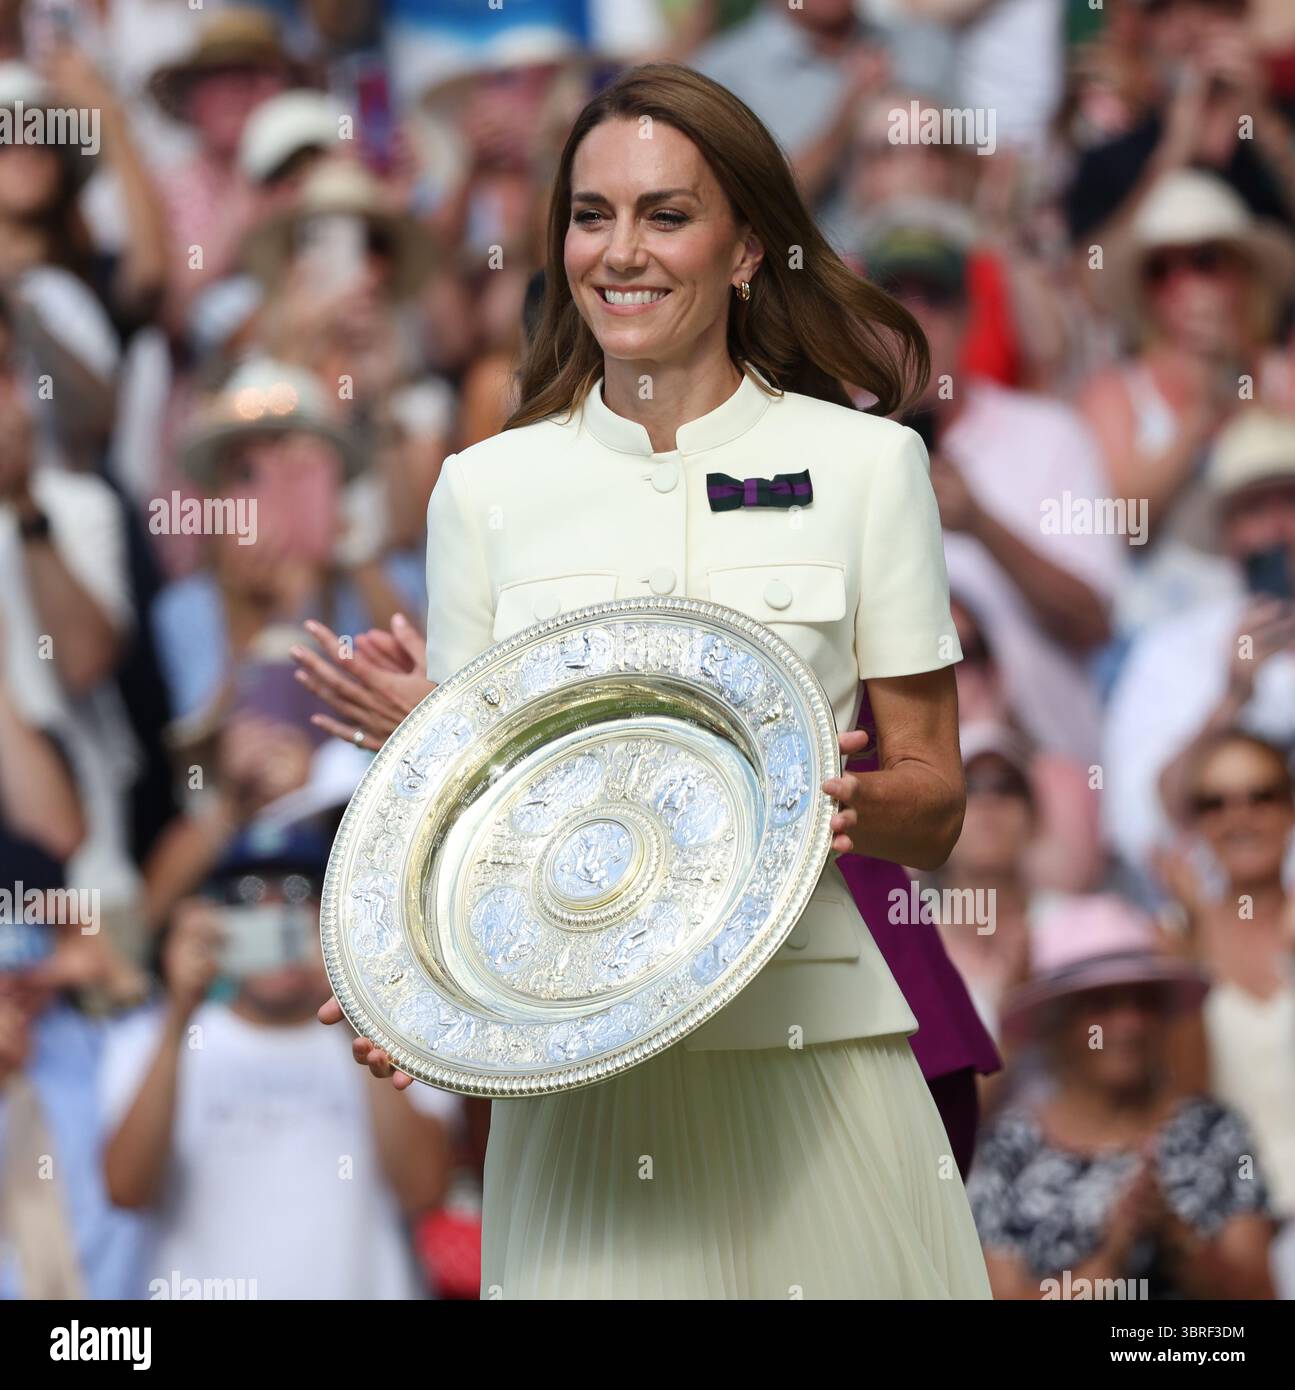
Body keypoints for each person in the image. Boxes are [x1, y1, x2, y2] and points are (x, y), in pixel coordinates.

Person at [300, 60, 992, 1299]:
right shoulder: (483, 489)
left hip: (817, 1056)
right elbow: (480, 817)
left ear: (744, 252)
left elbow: (935, 804)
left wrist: (812, 804)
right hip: (578, 1091)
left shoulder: (870, 467)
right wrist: (401, 977)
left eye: (665, 214)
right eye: (590, 214)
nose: (619, 251)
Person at [100, 833, 458, 1300]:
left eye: (297, 892)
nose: (272, 914)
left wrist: (353, 1000)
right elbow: (126, 1191)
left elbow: (424, 1189)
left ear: (331, 917)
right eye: (246, 895)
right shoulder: (146, 1040)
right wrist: (178, 1014)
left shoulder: (399, 1040)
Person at [966, 895, 1278, 1299]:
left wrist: (1176, 1238)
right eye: (1101, 1005)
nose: (1128, 1024)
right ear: (1055, 1021)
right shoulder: (1010, 1150)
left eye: (1143, 1002)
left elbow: (1260, 1291)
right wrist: (1112, 1258)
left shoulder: (1216, 1133)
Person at [1154, 731, 1295, 1230]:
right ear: (1194, 824)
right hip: (1229, 1233)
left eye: (1262, 796)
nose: (1240, 818)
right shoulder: (1170, 939)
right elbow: (1185, 1104)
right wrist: (1190, 969)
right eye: (1215, 803)